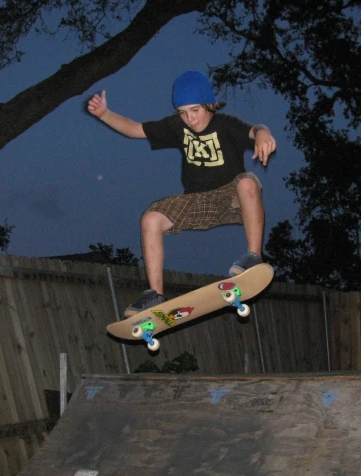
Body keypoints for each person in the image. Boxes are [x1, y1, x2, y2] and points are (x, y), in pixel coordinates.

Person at [87, 70, 277, 317]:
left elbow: (254, 130)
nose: (190, 119)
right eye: (183, 113)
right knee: (150, 218)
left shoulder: (226, 125)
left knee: (248, 183)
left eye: (195, 111)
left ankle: (253, 257)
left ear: (209, 105)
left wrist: (263, 134)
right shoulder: (177, 127)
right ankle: (154, 295)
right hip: (198, 201)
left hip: (233, 199)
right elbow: (135, 129)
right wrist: (104, 114)